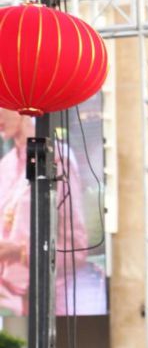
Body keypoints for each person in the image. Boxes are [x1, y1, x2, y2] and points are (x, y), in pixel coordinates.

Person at [0, 107, 88, 316]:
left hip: (45, 302)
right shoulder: (6, 165)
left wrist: (20, 251)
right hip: (8, 300)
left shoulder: (55, 158)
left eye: (2, 106)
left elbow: (76, 249)